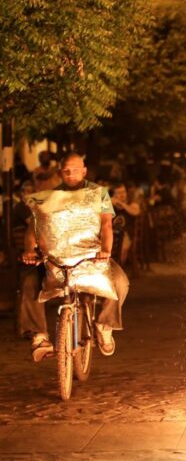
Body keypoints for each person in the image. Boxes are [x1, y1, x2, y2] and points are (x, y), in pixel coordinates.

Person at [20, 152, 129, 361]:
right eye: (67, 171)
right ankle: (39, 336)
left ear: (84, 171)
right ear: (61, 173)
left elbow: (106, 224)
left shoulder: (99, 194)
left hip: (92, 257)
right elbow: (34, 227)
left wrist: (105, 250)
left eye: (76, 170)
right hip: (56, 260)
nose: (71, 175)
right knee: (28, 282)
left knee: (121, 282)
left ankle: (104, 325)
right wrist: (29, 250)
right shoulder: (50, 197)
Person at [111, 182, 141, 265]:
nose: (122, 195)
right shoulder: (110, 205)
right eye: (119, 193)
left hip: (126, 235)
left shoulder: (131, 203)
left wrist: (123, 205)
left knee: (123, 245)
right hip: (112, 234)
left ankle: (119, 268)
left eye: (123, 192)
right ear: (114, 195)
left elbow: (136, 211)